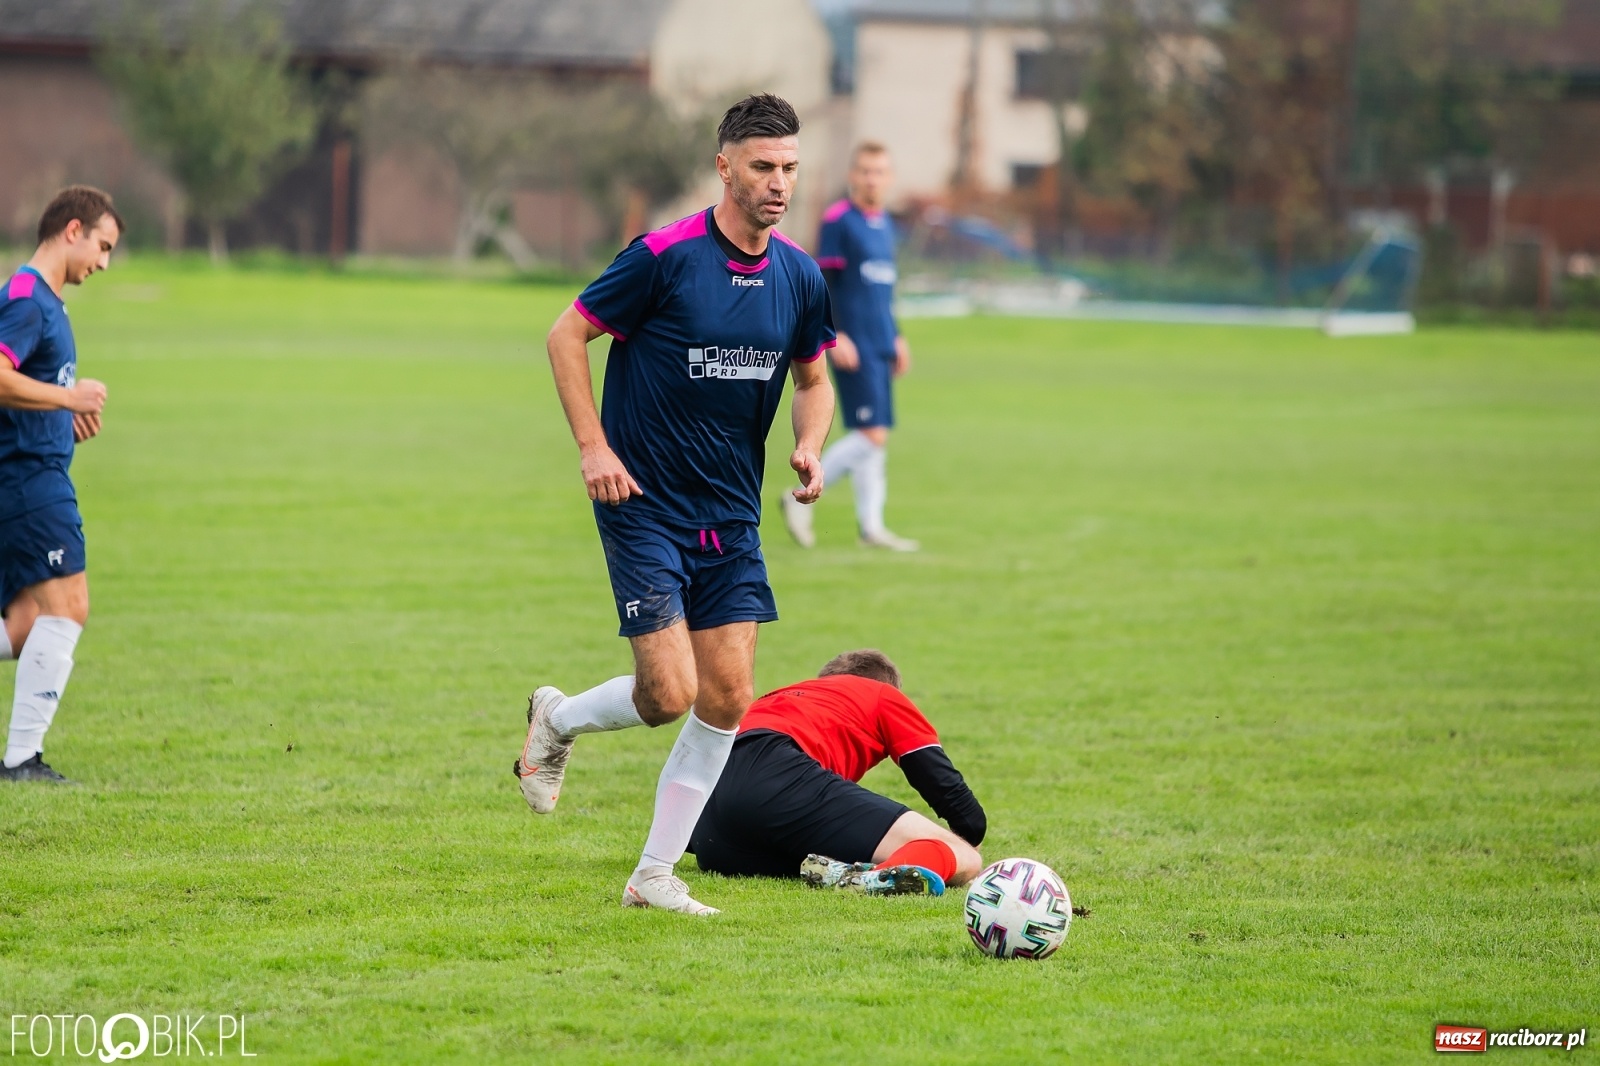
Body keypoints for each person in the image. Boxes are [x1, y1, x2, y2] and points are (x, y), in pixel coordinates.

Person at [521, 94, 837, 915]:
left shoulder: (800, 276)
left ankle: (652, 875)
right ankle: (556, 719)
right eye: (763, 167)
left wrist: (810, 443)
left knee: (727, 697)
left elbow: (814, 380)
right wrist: (594, 448)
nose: (778, 184)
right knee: (666, 695)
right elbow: (565, 335)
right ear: (724, 165)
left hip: (731, 515)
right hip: (643, 501)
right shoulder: (662, 257)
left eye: (791, 169)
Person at [688, 649, 985, 896]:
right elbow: (940, 780)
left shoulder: (776, 697)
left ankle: (854, 873)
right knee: (963, 857)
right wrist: (969, 835)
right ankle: (872, 880)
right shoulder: (881, 693)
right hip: (778, 774)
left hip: (712, 836)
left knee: (834, 851)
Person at [0, 186, 118, 783]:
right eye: (102, 246)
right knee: (70, 606)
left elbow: (24, 386)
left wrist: (60, 414)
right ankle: (20, 762)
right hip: (27, 480)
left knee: (23, 625)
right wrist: (68, 396)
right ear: (73, 230)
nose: (103, 262)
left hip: (32, 470)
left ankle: (20, 760)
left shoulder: (47, 302)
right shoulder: (25, 298)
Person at [783, 142, 917, 552]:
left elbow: (882, 288)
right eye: (865, 171)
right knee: (872, 435)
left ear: (889, 178)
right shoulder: (839, 221)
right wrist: (835, 333)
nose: (872, 179)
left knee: (873, 434)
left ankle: (871, 527)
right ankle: (798, 498)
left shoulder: (885, 225)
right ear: (852, 176)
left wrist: (895, 335)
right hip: (851, 344)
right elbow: (822, 282)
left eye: (879, 171)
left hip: (880, 342)